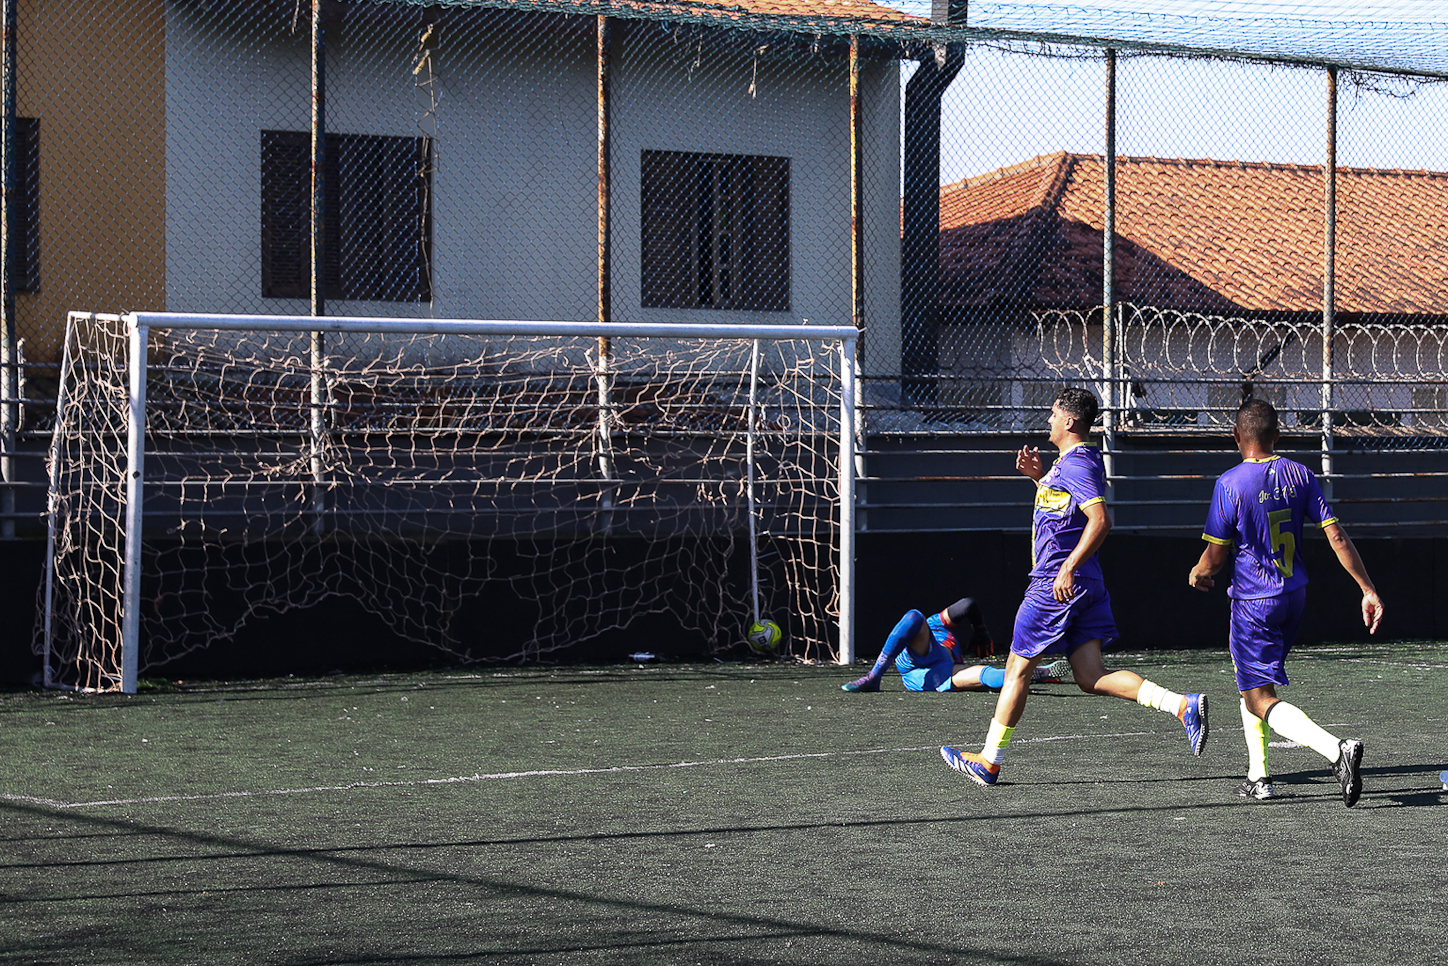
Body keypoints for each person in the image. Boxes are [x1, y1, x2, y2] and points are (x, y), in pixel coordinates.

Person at [941, 387, 1208, 785]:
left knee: (1016, 669)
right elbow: (1065, 514)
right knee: (1089, 675)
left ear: (1069, 420)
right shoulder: (1071, 462)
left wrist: (1067, 567)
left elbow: (1100, 520)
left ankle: (989, 761)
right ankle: (1181, 705)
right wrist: (1037, 478)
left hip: (1057, 583)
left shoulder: (1078, 463)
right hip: (1085, 583)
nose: (1048, 420)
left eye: (1053, 414)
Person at [1188, 398, 1383, 807]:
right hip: (1294, 597)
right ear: (1277, 435)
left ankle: (1336, 749)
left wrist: (1198, 572)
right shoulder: (1301, 474)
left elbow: (1215, 558)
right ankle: (1259, 776)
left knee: (1259, 696)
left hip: (1254, 602)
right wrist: (1367, 588)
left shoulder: (1230, 483)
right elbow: (1337, 537)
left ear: (1236, 436)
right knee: (1252, 682)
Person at [841, 597, 1071, 693]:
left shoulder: (944, 634)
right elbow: (965, 606)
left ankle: (1034, 673)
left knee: (984, 675)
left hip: (942, 669)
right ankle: (874, 676)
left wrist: (980, 632)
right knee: (913, 616)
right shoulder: (932, 626)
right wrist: (981, 631)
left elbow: (968, 604)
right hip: (914, 668)